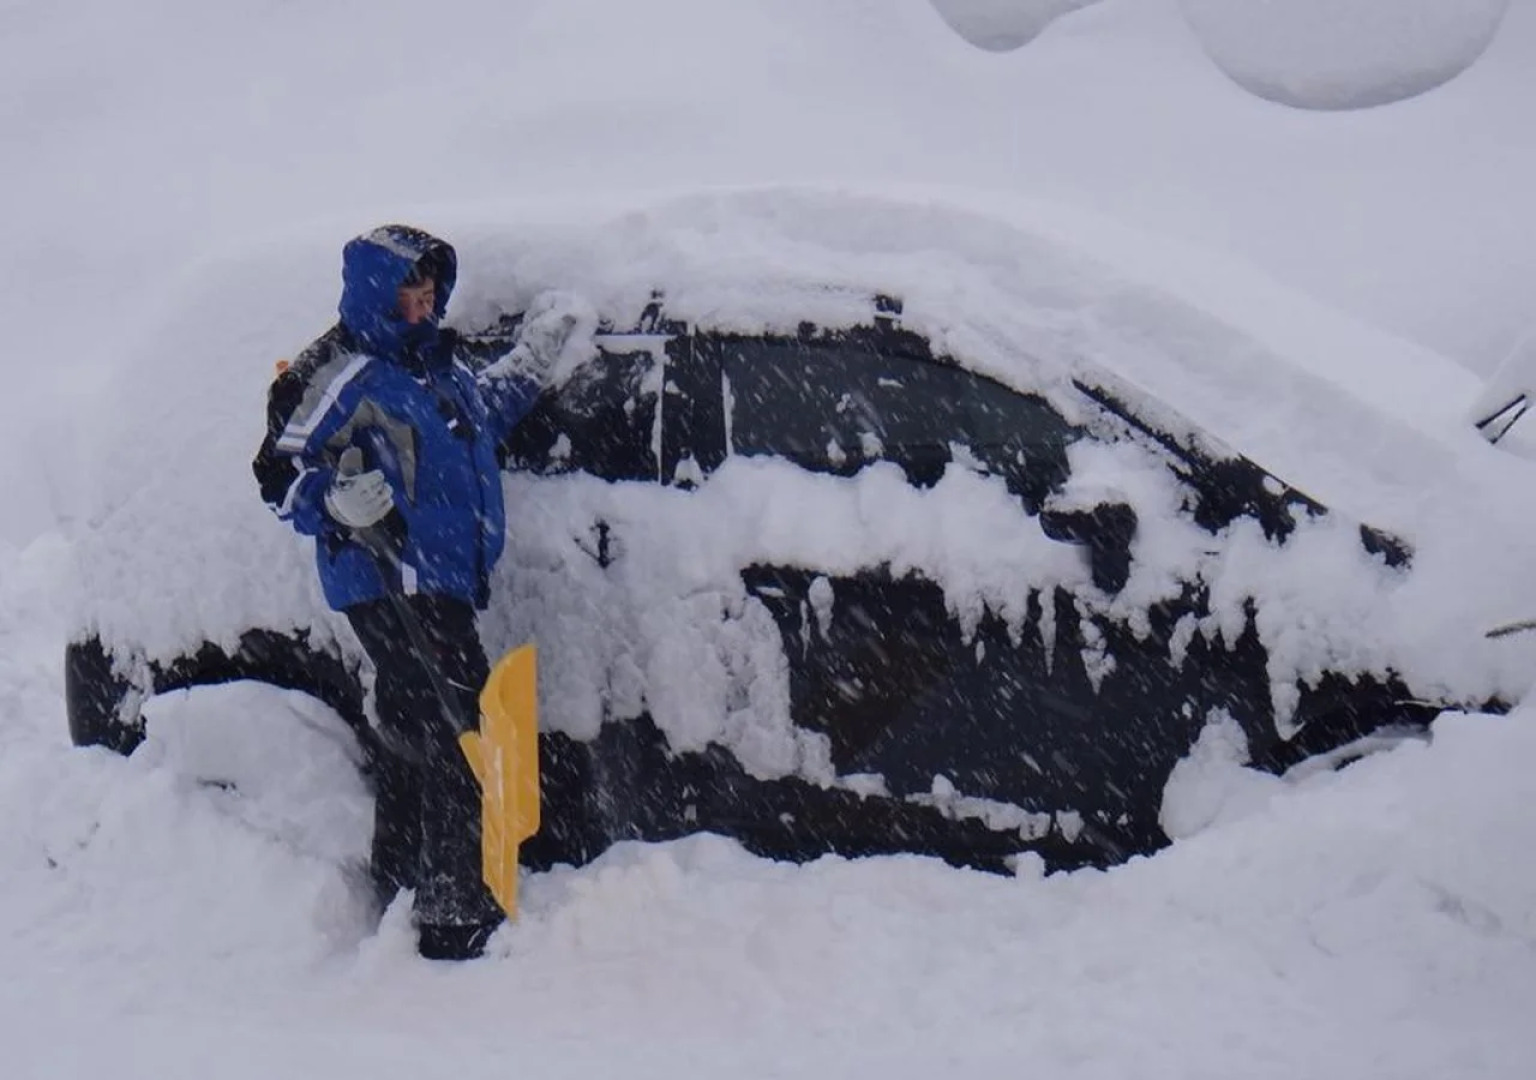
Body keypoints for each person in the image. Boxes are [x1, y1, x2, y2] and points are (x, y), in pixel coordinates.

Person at [252, 224, 585, 960]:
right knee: (457, 725)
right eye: (412, 287)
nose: (425, 298)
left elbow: (480, 420)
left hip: (441, 574)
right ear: (378, 291)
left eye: (432, 287)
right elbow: (278, 470)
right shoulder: (345, 371)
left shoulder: (438, 367)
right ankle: (451, 911)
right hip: (389, 574)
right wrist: (333, 498)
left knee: (416, 718)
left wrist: (529, 363)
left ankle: (401, 871)